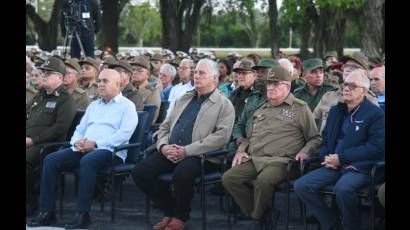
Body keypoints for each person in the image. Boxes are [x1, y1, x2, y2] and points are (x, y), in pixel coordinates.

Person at [27, 69, 138, 229]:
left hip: (110, 150)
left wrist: (96, 144)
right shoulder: (94, 105)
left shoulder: (127, 106)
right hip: (83, 148)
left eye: (105, 81)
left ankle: (82, 214)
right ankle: (46, 212)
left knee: (89, 161)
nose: (100, 84)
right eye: (99, 80)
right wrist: (77, 142)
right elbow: (80, 128)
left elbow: (124, 135)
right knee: (51, 160)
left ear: (117, 84)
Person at [131, 59, 235, 230]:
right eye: (195, 72)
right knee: (140, 172)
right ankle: (169, 210)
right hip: (171, 150)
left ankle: (181, 216)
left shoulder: (224, 104)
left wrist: (187, 151)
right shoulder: (183, 99)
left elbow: (221, 138)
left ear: (215, 78)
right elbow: (165, 126)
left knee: (182, 174)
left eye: (202, 73)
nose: (197, 76)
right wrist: (163, 147)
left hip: (202, 155)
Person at [222, 66, 321, 230]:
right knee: (229, 178)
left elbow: (315, 138)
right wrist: (241, 150)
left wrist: (305, 151)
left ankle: (256, 219)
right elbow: (248, 136)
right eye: (269, 84)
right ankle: (264, 213)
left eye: (276, 84)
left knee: (263, 181)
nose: (271, 87)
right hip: (255, 159)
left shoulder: (300, 108)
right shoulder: (262, 108)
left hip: (282, 161)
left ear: (288, 86)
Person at [294, 69, 385, 230]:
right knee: (301, 185)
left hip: (359, 166)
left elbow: (376, 147)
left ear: (363, 91)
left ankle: (351, 225)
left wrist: (342, 158)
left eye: (352, 86)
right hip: (333, 164)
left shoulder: (375, 114)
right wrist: (326, 158)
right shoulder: (336, 111)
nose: (346, 89)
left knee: (343, 189)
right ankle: (331, 223)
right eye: (344, 85)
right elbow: (326, 138)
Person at [26, 57, 76, 216]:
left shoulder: (65, 99)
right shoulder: (39, 96)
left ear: (60, 78)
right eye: (43, 72)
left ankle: (30, 201)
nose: (44, 75)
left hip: (47, 145)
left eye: (48, 73)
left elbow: (59, 128)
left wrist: (33, 140)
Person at [313, 53, 379, 133]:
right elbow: (313, 125)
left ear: (364, 73)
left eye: (354, 67)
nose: (347, 69)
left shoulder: (370, 100)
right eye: (346, 66)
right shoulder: (329, 96)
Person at [131, 55, 161, 122]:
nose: (135, 72)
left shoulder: (152, 91)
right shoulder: (129, 88)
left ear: (148, 74)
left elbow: (151, 119)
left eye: (139, 71)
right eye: (133, 69)